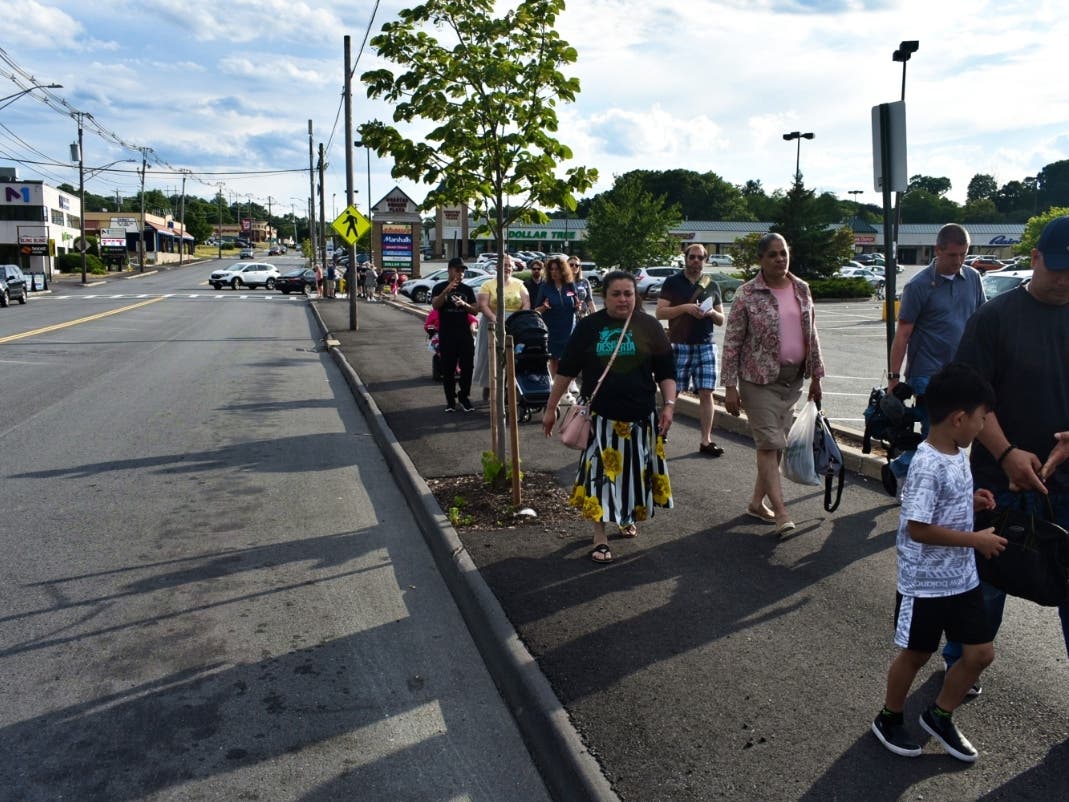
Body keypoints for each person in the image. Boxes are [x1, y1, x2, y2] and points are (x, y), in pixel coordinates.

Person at [942, 214, 1069, 676]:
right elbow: (970, 398)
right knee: (985, 588)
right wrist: (1006, 452)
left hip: (1064, 484)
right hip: (1000, 485)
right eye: (1056, 266)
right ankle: (960, 667)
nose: (1063, 278)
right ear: (1034, 258)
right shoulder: (994, 318)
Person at [870, 362, 1004, 763]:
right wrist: (976, 540)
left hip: (961, 578)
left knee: (981, 653)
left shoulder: (957, 452)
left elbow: (945, 507)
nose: (983, 427)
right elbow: (919, 528)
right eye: (982, 418)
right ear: (959, 418)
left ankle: (939, 714)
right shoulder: (927, 464)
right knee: (916, 655)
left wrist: (971, 501)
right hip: (925, 583)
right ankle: (889, 716)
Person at [541, 270, 677, 563]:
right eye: (616, 294)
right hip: (601, 420)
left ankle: (625, 515)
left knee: (632, 476)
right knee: (600, 479)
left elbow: (667, 371)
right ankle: (599, 535)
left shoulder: (649, 326)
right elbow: (566, 371)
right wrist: (551, 408)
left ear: (635, 296)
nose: (623, 299)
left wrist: (669, 404)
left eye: (628, 293)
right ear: (605, 296)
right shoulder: (590, 327)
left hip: (641, 420)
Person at [721, 233, 825, 535]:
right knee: (769, 443)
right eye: (772, 255)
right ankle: (781, 512)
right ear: (761, 260)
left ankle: (756, 503)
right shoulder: (747, 294)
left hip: (792, 381)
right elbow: (732, 343)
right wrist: (729, 386)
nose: (780, 259)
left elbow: (812, 334)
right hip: (758, 380)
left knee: (776, 444)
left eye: (783, 253)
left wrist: (816, 377)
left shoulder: (802, 289)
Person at [883, 223, 985, 496]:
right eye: (953, 255)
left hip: (961, 373)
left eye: (964, 254)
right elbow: (903, 334)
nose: (959, 261)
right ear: (937, 250)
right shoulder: (918, 286)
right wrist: (894, 378)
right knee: (939, 437)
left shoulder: (973, 278)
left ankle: (902, 468)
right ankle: (929, 494)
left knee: (954, 437)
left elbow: (980, 322)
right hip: (927, 373)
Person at [656, 243, 726, 457]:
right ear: (685, 258)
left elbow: (722, 319)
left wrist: (711, 314)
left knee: (707, 392)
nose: (696, 261)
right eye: (692, 257)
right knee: (672, 392)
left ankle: (706, 440)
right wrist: (685, 308)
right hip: (679, 344)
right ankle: (662, 433)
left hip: (705, 344)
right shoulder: (672, 282)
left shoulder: (712, 285)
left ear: (705, 260)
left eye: (700, 258)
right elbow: (660, 313)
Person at [472, 256, 530, 402]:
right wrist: (497, 320)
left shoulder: (519, 284)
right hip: (492, 323)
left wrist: (518, 319)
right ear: (497, 267)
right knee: (490, 356)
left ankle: (509, 388)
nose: (507, 268)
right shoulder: (487, 284)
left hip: (515, 324)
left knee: (513, 357)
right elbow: (483, 305)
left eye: (510, 265)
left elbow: (526, 303)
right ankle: (488, 386)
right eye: (504, 265)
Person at [431, 257, 479, 412]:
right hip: (446, 334)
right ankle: (450, 400)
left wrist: (463, 304)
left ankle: (464, 396)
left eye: (463, 271)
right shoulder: (439, 287)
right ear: (450, 270)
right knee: (448, 369)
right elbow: (435, 305)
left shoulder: (467, 290)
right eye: (458, 270)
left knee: (467, 367)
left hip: (464, 334)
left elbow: (475, 310)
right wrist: (447, 290)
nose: (461, 273)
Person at [534, 254, 580, 402]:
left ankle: (565, 390)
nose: (554, 272)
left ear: (563, 271)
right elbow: (536, 310)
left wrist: (577, 307)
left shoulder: (570, 285)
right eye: (551, 269)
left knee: (567, 360)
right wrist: (544, 307)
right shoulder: (545, 286)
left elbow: (575, 305)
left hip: (568, 328)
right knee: (554, 359)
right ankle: (557, 391)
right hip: (552, 327)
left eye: (557, 269)